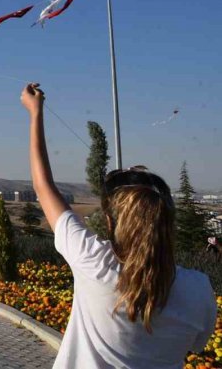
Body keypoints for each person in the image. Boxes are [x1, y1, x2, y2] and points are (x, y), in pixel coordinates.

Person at [21, 83, 216, 368]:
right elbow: (197, 345)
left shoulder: (93, 262)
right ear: (168, 224)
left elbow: (43, 186)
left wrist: (35, 112)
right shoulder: (198, 290)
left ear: (110, 222)